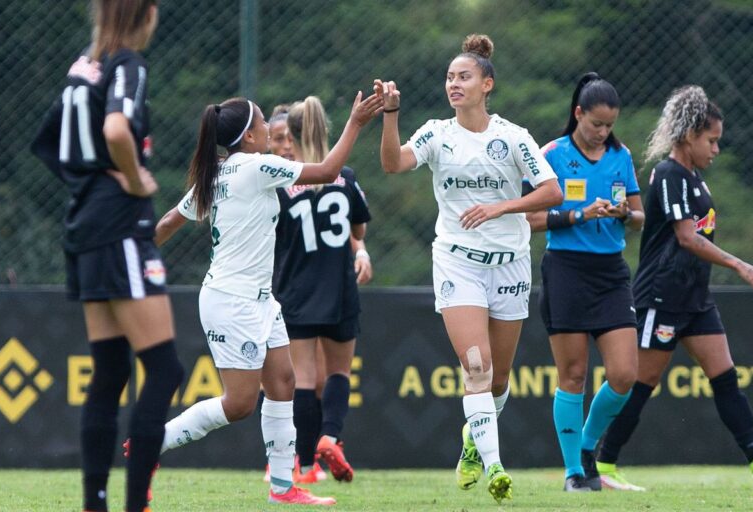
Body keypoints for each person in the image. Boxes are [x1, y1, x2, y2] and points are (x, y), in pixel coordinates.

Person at [153, 92, 382, 506]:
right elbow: (329, 169)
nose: (269, 129)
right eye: (262, 123)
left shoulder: (217, 172)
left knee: (283, 384)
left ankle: (283, 486)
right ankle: (153, 443)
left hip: (261, 299)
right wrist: (357, 123)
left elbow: (169, 221)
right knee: (238, 403)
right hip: (232, 300)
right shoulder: (257, 167)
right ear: (250, 135)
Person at [374, 34, 563, 504]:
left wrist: (503, 207)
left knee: (498, 378)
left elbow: (553, 192)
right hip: (458, 263)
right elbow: (394, 164)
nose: (454, 84)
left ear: (487, 84)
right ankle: (496, 466)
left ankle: (472, 443)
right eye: (449, 78)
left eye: (464, 77)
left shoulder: (513, 137)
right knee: (474, 367)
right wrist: (391, 115)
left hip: (511, 265)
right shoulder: (437, 133)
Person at [595, 85, 753, 490]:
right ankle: (602, 466)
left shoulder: (697, 179)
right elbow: (686, 237)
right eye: (711, 141)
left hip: (694, 298)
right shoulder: (669, 174)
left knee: (725, 376)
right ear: (687, 136)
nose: (715, 149)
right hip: (663, 295)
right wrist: (739, 263)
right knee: (640, 384)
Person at [30, 2, 183, 511]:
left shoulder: (82, 66)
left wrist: (88, 183)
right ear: (146, 14)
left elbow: (49, 144)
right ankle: (135, 504)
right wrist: (133, 179)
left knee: (111, 371)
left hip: (84, 226)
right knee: (163, 370)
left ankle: (95, 503)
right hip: (119, 226)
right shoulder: (127, 64)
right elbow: (118, 131)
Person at [525, 72, 643, 492]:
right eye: (596, 124)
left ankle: (589, 447)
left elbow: (640, 214)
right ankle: (574, 472)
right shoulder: (551, 154)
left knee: (625, 373)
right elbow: (530, 218)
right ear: (578, 114)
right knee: (573, 374)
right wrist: (578, 214)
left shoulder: (621, 155)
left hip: (611, 273)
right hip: (566, 270)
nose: (602, 132)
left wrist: (622, 215)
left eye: (609, 125)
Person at [271, 97, 374, 485]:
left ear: (291, 139)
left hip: (295, 291)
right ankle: (330, 437)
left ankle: (307, 466)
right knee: (339, 372)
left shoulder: (280, 182)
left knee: (302, 379)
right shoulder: (344, 177)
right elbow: (358, 230)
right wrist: (359, 248)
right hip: (340, 289)